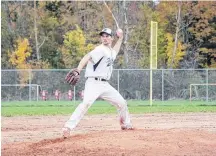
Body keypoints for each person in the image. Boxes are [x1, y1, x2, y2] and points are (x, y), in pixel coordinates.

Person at [62, 28, 134, 138]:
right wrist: (78, 70)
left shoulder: (109, 51)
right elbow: (87, 56)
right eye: (103, 36)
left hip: (104, 85)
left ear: (111, 38)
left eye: (107, 36)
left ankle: (125, 124)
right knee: (85, 104)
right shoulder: (99, 49)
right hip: (93, 83)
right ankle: (67, 127)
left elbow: (115, 51)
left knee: (122, 103)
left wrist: (121, 39)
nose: (104, 38)